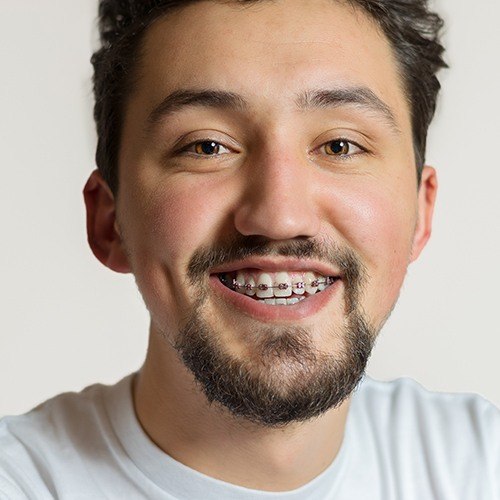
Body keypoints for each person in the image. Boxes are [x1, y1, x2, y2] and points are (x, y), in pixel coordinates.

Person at [1, 0, 499, 498]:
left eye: (340, 145)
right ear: (110, 222)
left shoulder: (481, 465)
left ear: (420, 213)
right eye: (206, 146)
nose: (279, 216)